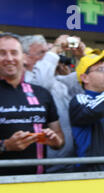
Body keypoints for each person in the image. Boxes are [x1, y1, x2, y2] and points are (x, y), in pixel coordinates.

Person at [0, 32, 64, 175]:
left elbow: (59, 139)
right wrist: (5, 145)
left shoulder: (42, 93)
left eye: (14, 53)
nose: (9, 58)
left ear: (24, 57)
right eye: (2, 53)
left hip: (36, 184)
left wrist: (54, 141)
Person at [23, 34, 84, 173]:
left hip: (68, 159)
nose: (50, 56)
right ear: (25, 57)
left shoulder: (58, 82)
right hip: (43, 163)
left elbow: (84, 82)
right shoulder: (26, 81)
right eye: (42, 52)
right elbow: (42, 85)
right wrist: (55, 49)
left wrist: (82, 57)